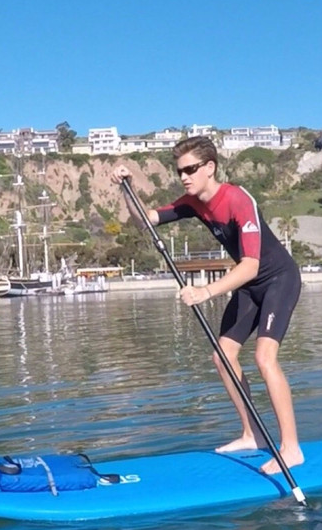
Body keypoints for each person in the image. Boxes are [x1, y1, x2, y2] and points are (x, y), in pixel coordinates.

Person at [112, 136, 303, 475]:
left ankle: (291, 449)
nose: (184, 176)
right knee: (222, 356)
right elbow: (145, 220)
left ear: (210, 167)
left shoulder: (237, 200)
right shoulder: (193, 202)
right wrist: (127, 188)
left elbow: (251, 265)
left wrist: (205, 292)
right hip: (248, 286)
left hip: (277, 280)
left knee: (263, 358)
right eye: (180, 171)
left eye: (191, 169)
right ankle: (253, 434)